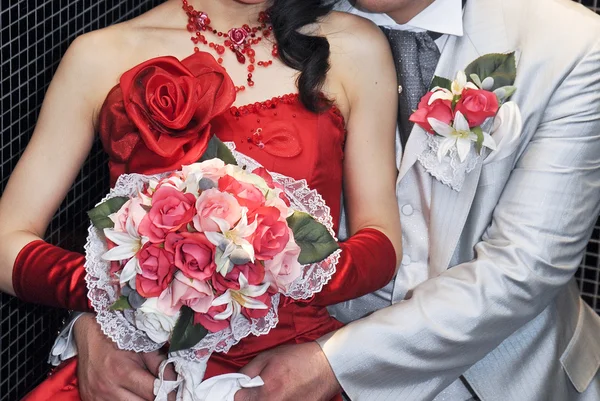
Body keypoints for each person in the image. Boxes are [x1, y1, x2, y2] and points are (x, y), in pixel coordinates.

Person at [0, 0, 403, 400]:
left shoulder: (354, 45)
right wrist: (132, 286)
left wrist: (269, 278)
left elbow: (381, 238)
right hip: (142, 375)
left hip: (290, 374)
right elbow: (6, 240)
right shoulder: (101, 54)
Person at [230, 0, 600, 400]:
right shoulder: (263, 27)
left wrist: (335, 365)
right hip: (301, 350)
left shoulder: (572, 43)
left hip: (514, 371)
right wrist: (158, 329)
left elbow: (526, 266)